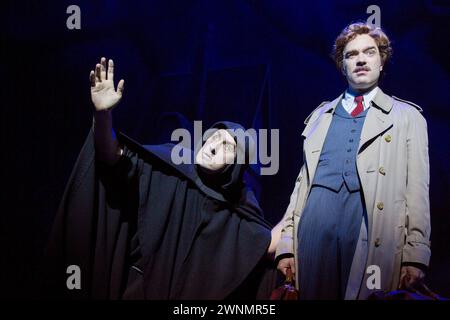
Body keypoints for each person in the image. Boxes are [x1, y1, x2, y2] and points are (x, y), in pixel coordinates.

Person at [43, 57, 282, 299]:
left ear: (235, 166)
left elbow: (265, 244)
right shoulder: (169, 165)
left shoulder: (239, 214)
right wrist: (103, 115)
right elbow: (111, 156)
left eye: (227, 146)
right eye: (213, 137)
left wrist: (299, 206)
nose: (212, 146)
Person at [276, 22, 431, 299]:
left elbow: (417, 190)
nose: (360, 59)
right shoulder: (319, 118)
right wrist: (287, 243)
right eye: (351, 55)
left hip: (370, 232)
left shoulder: (407, 117)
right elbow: (301, 188)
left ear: (382, 62)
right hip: (313, 234)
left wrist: (415, 253)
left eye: (369, 52)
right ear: (342, 65)